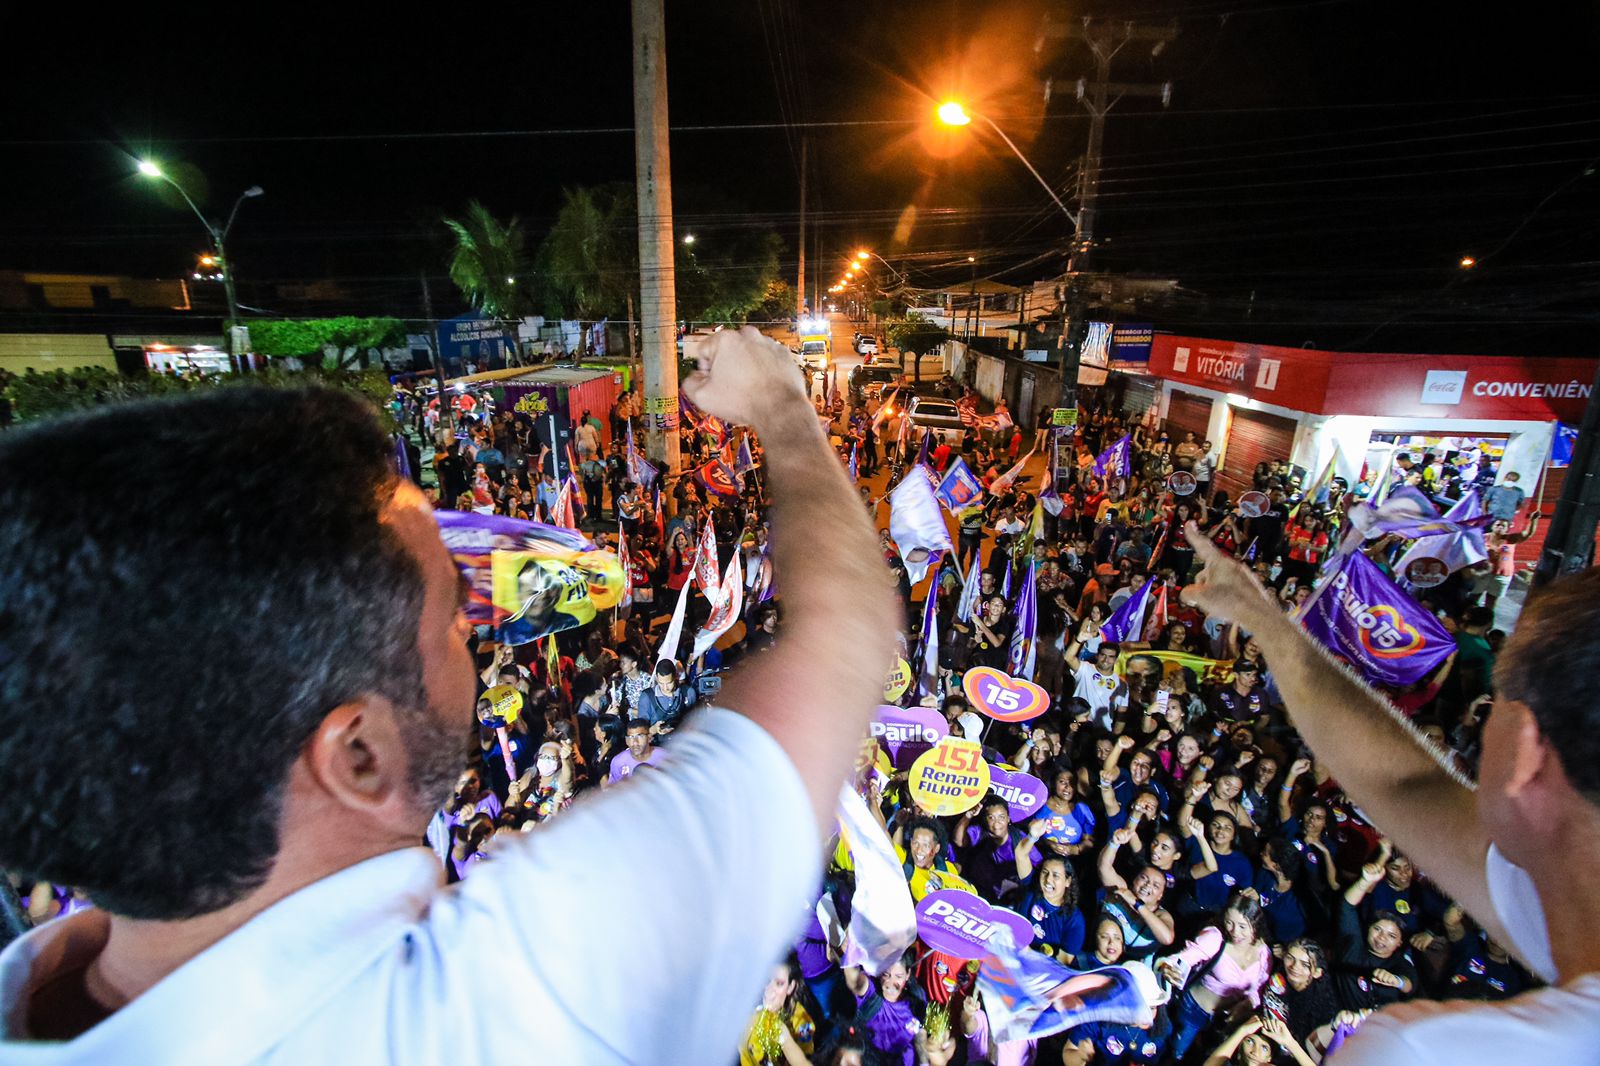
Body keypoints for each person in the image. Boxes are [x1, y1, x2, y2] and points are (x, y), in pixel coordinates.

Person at [0, 327, 899, 1061]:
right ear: (359, 754)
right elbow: (846, 638)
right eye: (453, 618)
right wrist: (781, 403)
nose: (484, 619)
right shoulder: (523, 992)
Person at [1179, 521, 1600, 1060]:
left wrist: (1269, 622)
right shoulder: (1555, 890)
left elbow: (1410, 783)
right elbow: (1404, 782)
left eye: (1496, 708)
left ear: (1525, 750)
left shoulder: (1420, 1051)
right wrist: (1267, 622)